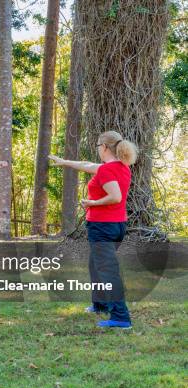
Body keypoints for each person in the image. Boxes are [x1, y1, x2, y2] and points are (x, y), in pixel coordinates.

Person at [49, 130, 138, 329]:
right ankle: (100, 304)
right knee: (95, 265)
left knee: (107, 270)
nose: (97, 149)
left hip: (103, 227)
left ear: (105, 147)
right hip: (116, 226)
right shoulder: (119, 167)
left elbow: (115, 196)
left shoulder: (107, 170)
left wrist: (92, 202)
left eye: (98, 146)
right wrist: (64, 162)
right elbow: (87, 166)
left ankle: (121, 318)